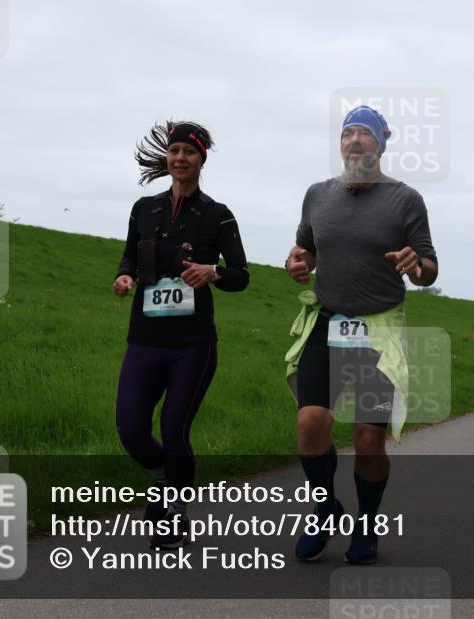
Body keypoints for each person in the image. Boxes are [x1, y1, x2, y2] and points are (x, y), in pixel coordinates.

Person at [284, 105, 438, 565]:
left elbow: (429, 268)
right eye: (347, 133)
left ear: (381, 145)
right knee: (311, 422)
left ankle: (367, 526)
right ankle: (324, 507)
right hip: (328, 322)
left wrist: (418, 267)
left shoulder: (405, 200)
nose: (354, 141)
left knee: (369, 439)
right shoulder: (317, 195)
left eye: (364, 135)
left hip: (377, 329)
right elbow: (306, 249)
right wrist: (298, 264)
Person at [113, 120, 249, 548]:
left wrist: (215, 272)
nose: (180, 159)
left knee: (174, 428)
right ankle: (163, 478)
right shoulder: (143, 209)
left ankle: (176, 509)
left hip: (193, 345)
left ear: (201, 159)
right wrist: (123, 278)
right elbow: (127, 259)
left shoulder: (218, 214)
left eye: (188, 153)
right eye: (174, 152)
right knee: (131, 428)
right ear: (167, 158)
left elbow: (241, 276)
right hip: (145, 339)